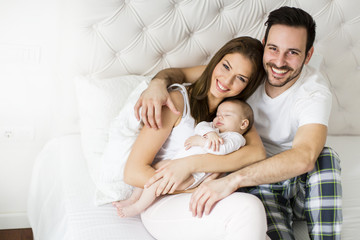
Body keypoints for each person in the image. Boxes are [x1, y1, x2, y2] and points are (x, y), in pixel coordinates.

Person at [135, 6, 342, 240]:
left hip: (299, 183)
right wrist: (157, 84)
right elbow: (181, 74)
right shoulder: (245, 76)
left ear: (308, 55)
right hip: (261, 182)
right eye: (273, 49)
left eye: (292, 52)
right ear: (264, 45)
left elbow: (305, 157)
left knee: (326, 156)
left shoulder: (314, 91)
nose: (279, 62)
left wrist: (232, 180)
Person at [125, 36, 269, 239]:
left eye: (241, 78)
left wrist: (191, 164)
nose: (227, 81)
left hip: (203, 195)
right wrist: (186, 184)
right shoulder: (176, 102)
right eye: (226, 66)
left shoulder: (234, 115)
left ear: (248, 86)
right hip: (161, 201)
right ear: (215, 62)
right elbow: (132, 172)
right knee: (249, 209)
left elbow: (256, 153)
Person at [114, 99, 253, 217]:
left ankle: (137, 207)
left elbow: (222, 150)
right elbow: (201, 126)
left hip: (195, 175)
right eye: (218, 114)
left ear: (243, 124)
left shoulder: (236, 138)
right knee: (154, 169)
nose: (219, 118)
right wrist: (209, 132)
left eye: (227, 115)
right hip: (177, 163)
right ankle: (132, 198)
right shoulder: (212, 128)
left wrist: (201, 141)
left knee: (159, 180)